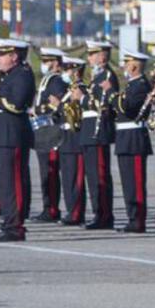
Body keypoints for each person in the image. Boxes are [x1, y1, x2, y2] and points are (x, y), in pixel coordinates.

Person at [0, 38, 35, 242]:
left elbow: (17, 104)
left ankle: (15, 226)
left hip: (11, 136)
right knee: (3, 183)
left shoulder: (22, 74)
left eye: (2, 54)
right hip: (0, 135)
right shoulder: (8, 76)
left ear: (14, 56)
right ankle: (9, 221)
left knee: (13, 183)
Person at [78, 40, 119, 230]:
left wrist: (82, 98)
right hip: (89, 130)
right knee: (93, 177)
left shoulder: (107, 75)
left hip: (98, 130)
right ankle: (98, 213)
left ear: (102, 56)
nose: (89, 58)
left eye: (93, 54)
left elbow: (103, 104)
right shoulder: (96, 76)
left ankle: (104, 215)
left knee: (100, 175)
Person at [112, 49, 153, 233]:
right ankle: (132, 217)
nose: (125, 66)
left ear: (135, 65)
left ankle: (138, 220)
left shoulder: (141, 85)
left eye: (127, 63)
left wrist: (112, 94)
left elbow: (128, 108)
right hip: (125, 138)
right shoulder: (132, 85)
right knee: (127, 183)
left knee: (135, 183)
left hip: (134, 138)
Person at [32, 48, 67, 223]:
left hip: (51, 130)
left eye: (47, 61)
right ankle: (48, 206)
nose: (44, 64)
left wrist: (37, 109)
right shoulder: (49, 79)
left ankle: (52, 208)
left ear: (56, 62)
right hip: (42, 129)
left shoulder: (57, 81)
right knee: (45, 171)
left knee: (50, 172)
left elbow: (58, 105)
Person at [55, 57, 87, 225]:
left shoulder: (81, 89)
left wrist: (59, 106)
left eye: (68, 69)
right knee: (67, 178)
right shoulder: (69, 90)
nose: (65, 72)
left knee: (76, 179)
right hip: (65, 138)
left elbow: (77, 113)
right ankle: (70, 211)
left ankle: (76, 213)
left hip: (75, 139)